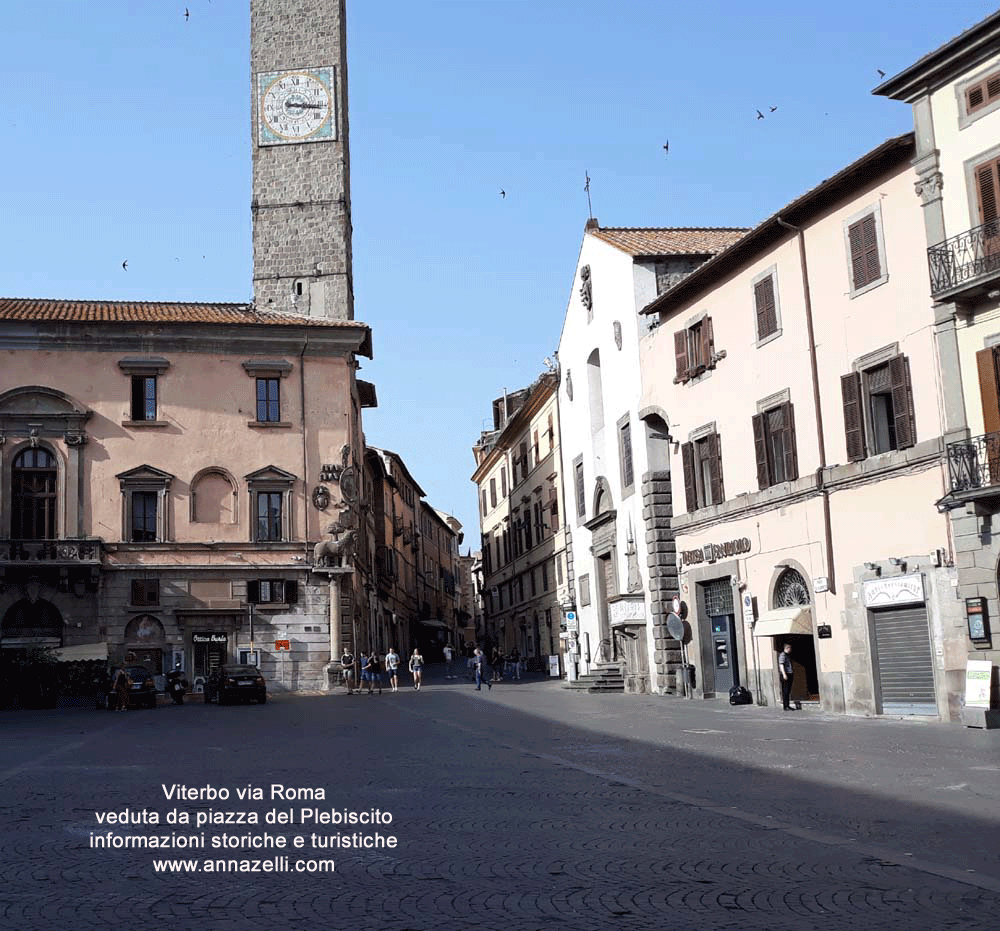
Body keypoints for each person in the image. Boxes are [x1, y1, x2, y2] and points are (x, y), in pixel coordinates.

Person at [779, 643, 795, 711]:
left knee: (788, 690)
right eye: (790, 648)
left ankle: (787, 705)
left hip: (789, 673)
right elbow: (781, 664)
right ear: (787, 648)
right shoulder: (783, 655)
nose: (791, 650)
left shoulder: (787, 655)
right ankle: (785, 706)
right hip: (786, 674)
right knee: (785, 690)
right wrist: (784, 674)